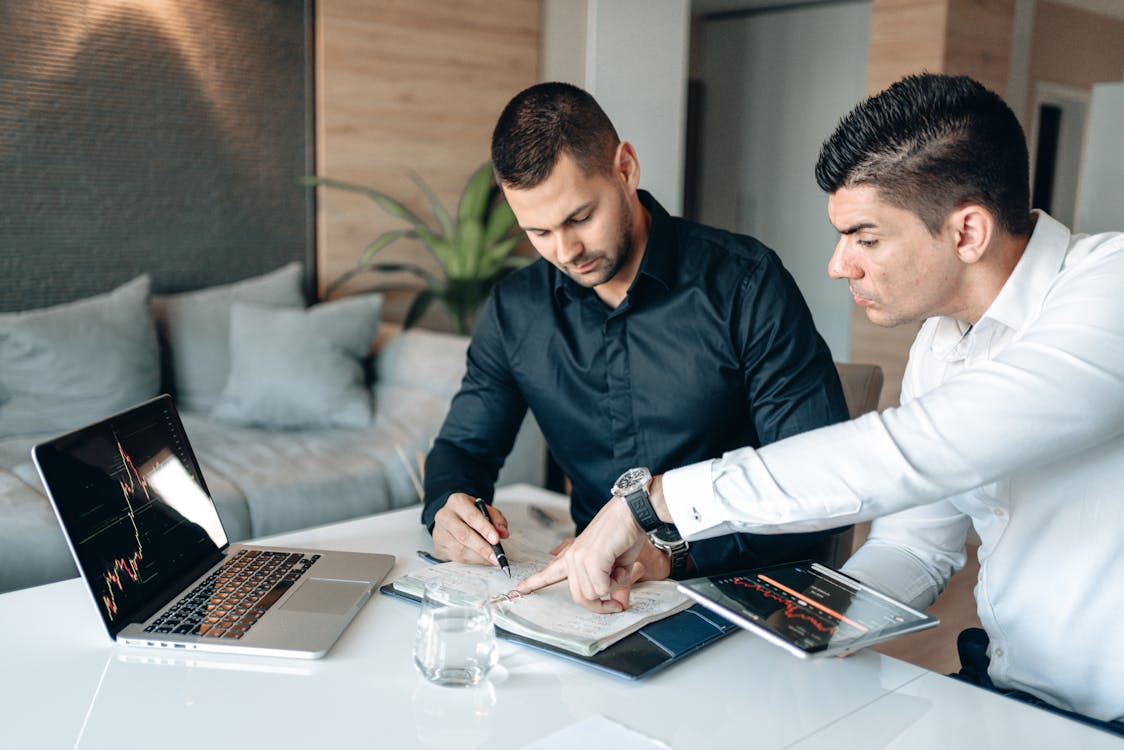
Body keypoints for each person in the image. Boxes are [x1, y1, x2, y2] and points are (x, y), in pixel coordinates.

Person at [518, 73, 1124, 732]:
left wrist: (656, 501)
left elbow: (917, 451)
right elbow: (918, 547)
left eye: (865, 237)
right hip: (1006, 688)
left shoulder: (1109, 291)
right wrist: (800, 631)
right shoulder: (941, 344)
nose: (840, 265)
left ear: (968, 231)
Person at [422, 81, 850, 585]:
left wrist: (671, 555)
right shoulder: (516, 310)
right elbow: (464, 449)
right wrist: (449, 507)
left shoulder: (745, 285)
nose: (565, 251)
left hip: (740, 585)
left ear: (625, 168)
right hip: (596, 590)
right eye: (537, 232)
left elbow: (817, 485)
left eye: (580, 217)